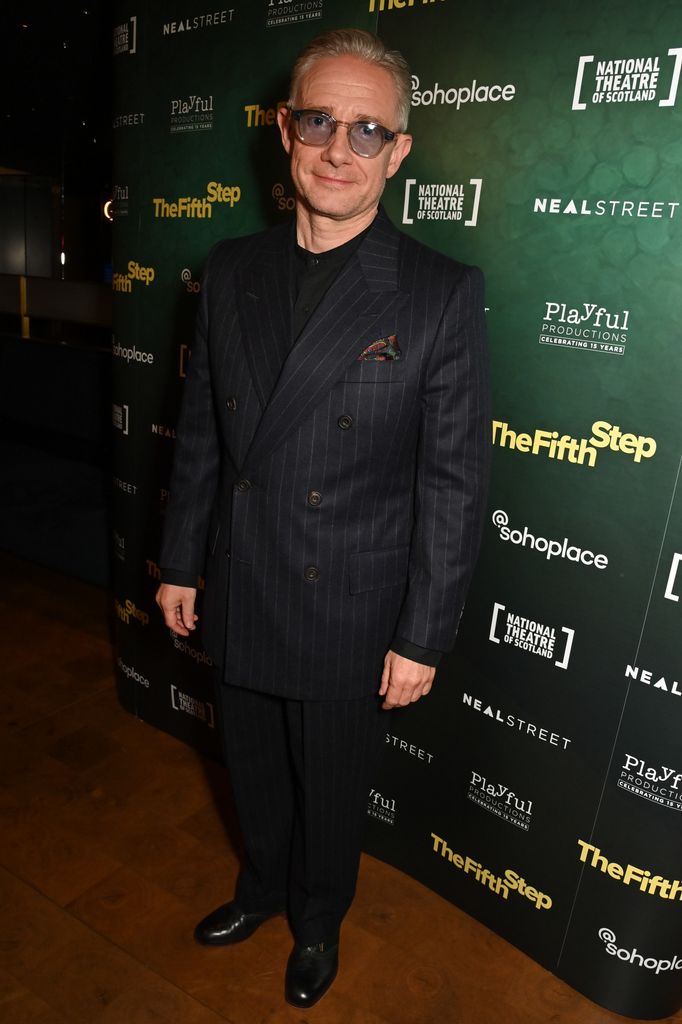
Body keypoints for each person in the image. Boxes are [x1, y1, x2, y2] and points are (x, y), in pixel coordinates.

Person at [156, 27, 490, 1009]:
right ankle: (261, 887)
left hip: (349, 606)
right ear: (283, 129)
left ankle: (315, 920)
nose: (340, 148)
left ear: (399, 150)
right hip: (242, 576)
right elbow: (203, 435)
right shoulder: (230, 267)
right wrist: (178, 561)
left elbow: (453, 483)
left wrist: (422, 635)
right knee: (253, 767)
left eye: (367, 129)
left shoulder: (437, 291)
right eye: (318, 121)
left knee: (332, 790)